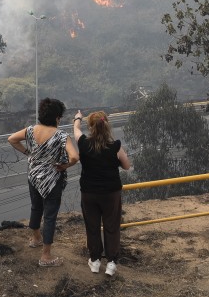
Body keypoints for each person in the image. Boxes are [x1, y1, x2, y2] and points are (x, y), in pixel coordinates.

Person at [8, 97, 78, 267]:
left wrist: (28, 153)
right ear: (56, 118)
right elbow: (75, 157)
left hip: (33, 176)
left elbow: (11, 139)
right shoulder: (62, 136)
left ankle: (35, 238)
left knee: (36, 207)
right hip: (52, 180)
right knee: (50, 216)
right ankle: (46, 256)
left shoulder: (30, 130)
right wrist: (65, 165)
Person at [72, 109, 131, 277]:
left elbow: (75, 130)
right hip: (111, 193)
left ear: (91, 127)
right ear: (107, 126)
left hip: (89, 193)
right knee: (112, 226)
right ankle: (111, 263)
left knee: (92, 226)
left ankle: (95, 261)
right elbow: (126, 166)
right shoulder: (115, 146)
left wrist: (78, 118)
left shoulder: (83, 143)